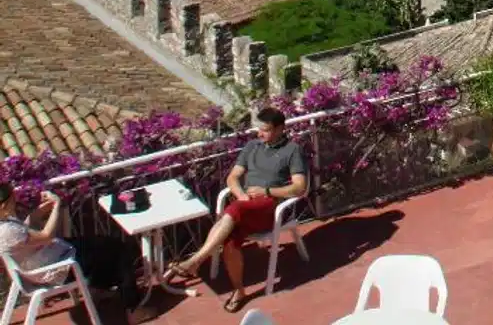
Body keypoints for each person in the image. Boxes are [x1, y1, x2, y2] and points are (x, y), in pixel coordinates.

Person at [164, 107, 308, 313]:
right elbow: (232, 177)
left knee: (234, 211)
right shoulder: (252, 146)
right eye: (259, 129)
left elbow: (299, 187)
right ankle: (239, 291)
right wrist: (241, 195)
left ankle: (195, 261)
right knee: (230, 239)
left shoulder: (292, 150)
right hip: (245, 205)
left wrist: (267, 190)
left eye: (265, 130)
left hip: (271, 207)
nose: (259, 134)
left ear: (280, 129)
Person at [0, 181, 155, 324]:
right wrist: (57, 205)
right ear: (4, 205)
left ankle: (98, 288)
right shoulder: (8, 231)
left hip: (48, 258)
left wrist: (44, 208)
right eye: (12, 197)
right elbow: (47, 235)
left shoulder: (5, 222)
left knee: (103, 243)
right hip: (57, 267)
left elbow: (26, 228)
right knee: (118, 250)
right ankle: (133, 309)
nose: (15, 198)